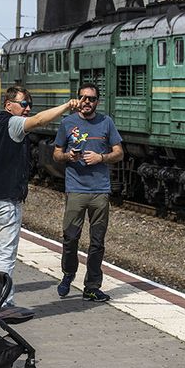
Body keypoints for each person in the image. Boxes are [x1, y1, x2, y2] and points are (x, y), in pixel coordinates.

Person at [0, 86, 77, 308]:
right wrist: (67, 106)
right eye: (23, 104)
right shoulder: (13, 123)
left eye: (29, 104)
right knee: (6, 255)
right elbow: (39, 120)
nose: (28, 108)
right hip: (4, 201)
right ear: (9, 105)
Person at [51, 82, 124, 301]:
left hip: (100, 190)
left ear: (97, 102)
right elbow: (56, 153)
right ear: (78, 99)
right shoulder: (67, 123)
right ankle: (68, 273)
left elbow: (119, 152)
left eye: (91, 99)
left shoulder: (106, 122)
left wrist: (101, 158)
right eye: (83, 98)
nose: (87, 102)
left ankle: (92, 286)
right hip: (75, 190)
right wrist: (67, 157)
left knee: (97, 241)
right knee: (70, 236)